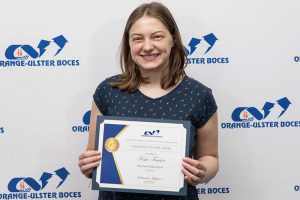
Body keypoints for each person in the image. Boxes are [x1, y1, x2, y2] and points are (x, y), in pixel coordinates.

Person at [78, 2, 218, 200]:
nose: (147, 46)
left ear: (173, 40)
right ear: (129, 44)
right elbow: (93, 157)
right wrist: (88, 165)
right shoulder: (108, 91)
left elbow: (210, 157)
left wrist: (202, 170)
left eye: (157, 36)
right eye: (137, 39)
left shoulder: (199, 95)